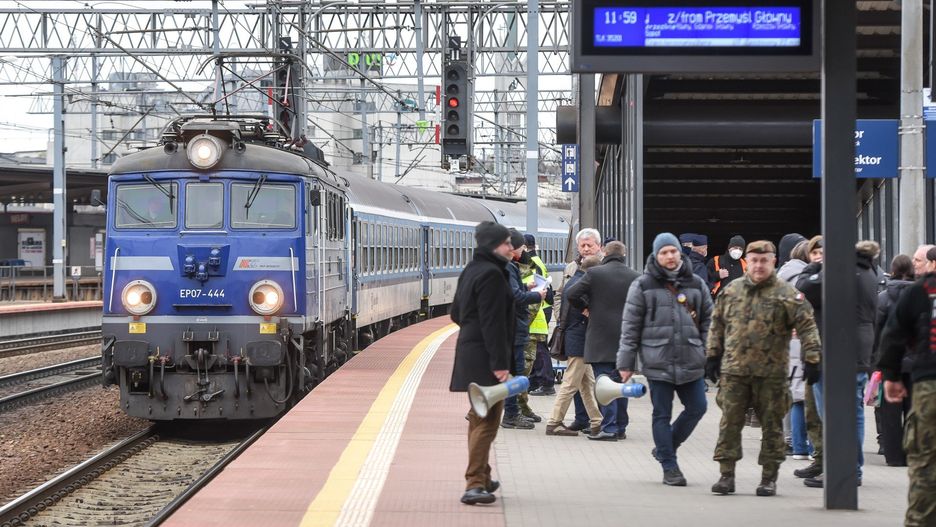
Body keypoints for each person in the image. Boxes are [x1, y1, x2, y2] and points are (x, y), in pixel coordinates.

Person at [706, 240, 821, 497]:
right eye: (754, 260)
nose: (759, 265)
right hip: (735, 372)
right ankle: (726, 475)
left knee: (772, 427)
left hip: (772, 375)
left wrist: (812, 358)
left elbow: (807, 326)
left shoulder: (787, 294)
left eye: (764, 260)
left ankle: (768, 478)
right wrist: (712, 355)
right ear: (748, 261)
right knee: (729, 424)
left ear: (773, 262)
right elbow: (717, 325)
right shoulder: (732, 291)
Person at [618, 232, 713, 486]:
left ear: (679, 253)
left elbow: (709, 321)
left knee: (698, 407)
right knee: (661, 413)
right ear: (656, 256)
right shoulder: (643, 285)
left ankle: (666, 447)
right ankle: (670, 467)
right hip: (657, 360)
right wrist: (626, 364)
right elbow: (630, 326)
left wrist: (707, 351)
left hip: (691, 358)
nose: (670, 256)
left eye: (673, 251)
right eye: (664, 252)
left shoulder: (695, 283)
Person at [796, 240, 880, 487]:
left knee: (829, 413)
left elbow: (804, 288)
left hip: (834, 350)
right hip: (859, 349)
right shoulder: (869, 271)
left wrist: (812, 268)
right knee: (854, 413)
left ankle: (842, 469)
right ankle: (853, 468)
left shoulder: (840, 271)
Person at [449, 221, 515, 505]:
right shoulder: (492, 275)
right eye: (507, 243)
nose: (511, 248)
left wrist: (471, 331)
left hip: (470, 354)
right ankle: (474, 484)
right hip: (488, 360)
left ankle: (484, 477)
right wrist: (500, 364)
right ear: (493, 246)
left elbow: (455, 313)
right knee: (487, 422)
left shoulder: (472, 269)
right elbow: (493, 323)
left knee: (478, 418)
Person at [878, 263, 936, 526]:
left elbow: (894, 332)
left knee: (925, 463)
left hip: (929, 384)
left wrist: (890, 375)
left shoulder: (923, 289)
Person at [565, 241, 640, 441]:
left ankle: (609, 428)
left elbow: (571, 294)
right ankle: (621, 427)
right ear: (624, 254)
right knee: (621, 382)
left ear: (605, 253)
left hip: (600, 337)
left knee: (604, 383)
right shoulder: (636, 277)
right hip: (626, 338)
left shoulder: (595, 274)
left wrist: (586, 308)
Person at [545, 255, 603, 436]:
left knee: (587, 383)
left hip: (574, 338)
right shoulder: (582, 287)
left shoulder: (574, 281)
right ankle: (554, 422)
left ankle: (596, 420)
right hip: (579, 339)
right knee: (570, 383)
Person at [501, 229, 547, 430]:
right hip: (512, 328)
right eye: (520, 246)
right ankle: (510, 414)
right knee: (515, 373)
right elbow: (514, 297)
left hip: (507, 328)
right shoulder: (508, 267)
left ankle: (509, 413)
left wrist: (524, 289)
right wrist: (537, 295)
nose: (523, 250)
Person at [873, 254, 914, 466]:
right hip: (916, 363)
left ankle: (893, 456)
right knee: (912, 409)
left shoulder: (883, 298)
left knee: (889, 411)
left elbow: (877, 332)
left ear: (893, 270)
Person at [777, 239, 814, 462]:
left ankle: (791, 440)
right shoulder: (806, 278)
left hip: (787, 340)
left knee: (792, 392)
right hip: (801, 340)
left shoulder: (783, 274)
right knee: (801, 395)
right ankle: (801, 444)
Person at [522, 233, 556, 397]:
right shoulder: (535, 261)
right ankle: (536, 381)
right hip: (537, 307)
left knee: (540, 348)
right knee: (535, 348)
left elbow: (537, 287)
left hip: (537, 309)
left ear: (525, 247)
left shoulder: (531, 263)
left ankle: (547, 382)